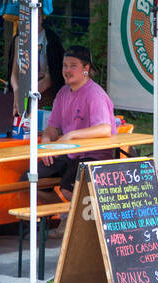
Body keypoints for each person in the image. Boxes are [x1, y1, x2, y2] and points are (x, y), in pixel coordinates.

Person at [36, 47, 116, 196]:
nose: (67, 70)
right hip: (68, 154)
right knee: (29, 181)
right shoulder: (63, 93)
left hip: (92, 156)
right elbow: (52, 127)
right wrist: (46, 144)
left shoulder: (95, 94)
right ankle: (65, 218)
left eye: (73, 66)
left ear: (86, 68)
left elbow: (105, 129)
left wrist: (72, 135)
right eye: (65, 66)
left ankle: (69, 218)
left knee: (68, 189)